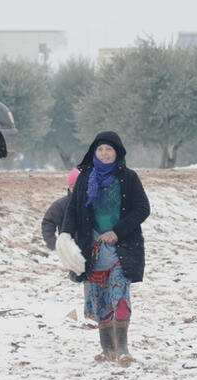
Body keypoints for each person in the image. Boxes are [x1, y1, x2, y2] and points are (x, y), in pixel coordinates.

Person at [60, 131, 150, 366]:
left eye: (109, 149)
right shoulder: (85, 177)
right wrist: (65, 236)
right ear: (94, 152)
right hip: (92, 250)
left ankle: (122, 350)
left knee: (119, 297)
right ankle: (107, 349)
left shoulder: (129, 178)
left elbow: (142, 209)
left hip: (122, 248)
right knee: (100, 300)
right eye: (100, 149)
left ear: (117, 152)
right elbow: (73, 209)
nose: (104, 153)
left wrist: (117, 231)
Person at [42, 168, 80, 250]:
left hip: (91, 251)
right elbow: (48, 222)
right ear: (69, 187)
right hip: (68, 250)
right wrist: (54, 244)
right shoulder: (60, 205)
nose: (76, 189)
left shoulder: (91, 203)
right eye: (73, 186)